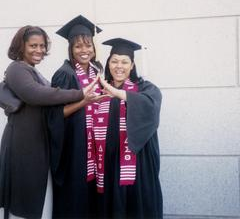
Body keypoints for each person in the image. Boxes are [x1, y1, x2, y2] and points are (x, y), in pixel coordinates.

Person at [0, 25, 98, 219]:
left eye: (42, 46)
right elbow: (36, 95)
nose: (39, 50)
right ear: (22, 46)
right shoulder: (17, 69)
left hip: (37, 142)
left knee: (38, 200)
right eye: (33, 45)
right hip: (24, 145)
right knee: (24, 200)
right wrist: (79, 94)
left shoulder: (33, 71)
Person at [95, 38, 163, 218]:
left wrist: (117, 93)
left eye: (124, 62)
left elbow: (150, 107)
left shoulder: (145, 88)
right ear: (108, 63)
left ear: (132, 65)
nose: (119, 66)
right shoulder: (98, 91)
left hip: (137, 165)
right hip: (107, 164)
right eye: (114, 61)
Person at [46, 15, 104, 218]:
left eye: (88, 45)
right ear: (70, 49)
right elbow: (54, 115)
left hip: (94, 148)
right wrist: (83, 102)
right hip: (74, 149)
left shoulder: (97, 72)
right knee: (75, 200)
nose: (84, 50)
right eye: (78, 46)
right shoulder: (65, 74)